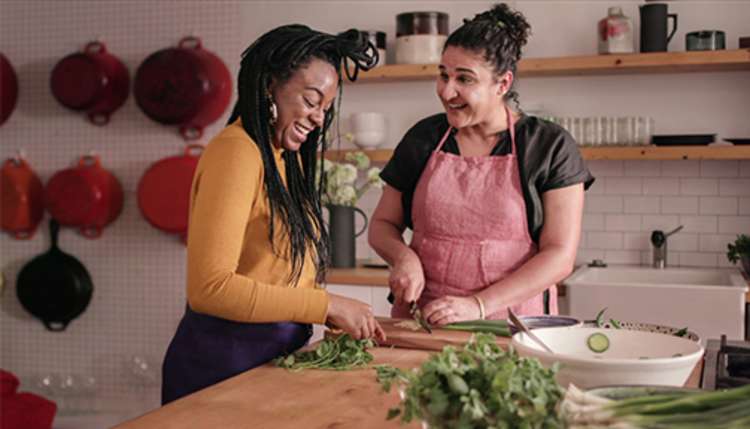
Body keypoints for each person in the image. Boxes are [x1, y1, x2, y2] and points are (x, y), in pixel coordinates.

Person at [162, 25, 386, 405]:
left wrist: (325, 309)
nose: (318, 118)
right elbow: (210, 289)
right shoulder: (237, 153)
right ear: (269, 85)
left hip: (267, 362)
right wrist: (326, 304)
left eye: (325, 108)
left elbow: (273, 270)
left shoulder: (281, 159)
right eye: (311, 100)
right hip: (223, 370)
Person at [369, 4, 594, 326]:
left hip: (515, 325)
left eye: (464, 79)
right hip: (425, 320)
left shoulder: (548, 146)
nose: (448, 91)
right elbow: (382, 225)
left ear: (502, 84)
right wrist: (403, 258)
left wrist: (478, 304)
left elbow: (559, 256)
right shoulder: (424, 138)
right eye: (443, 75)